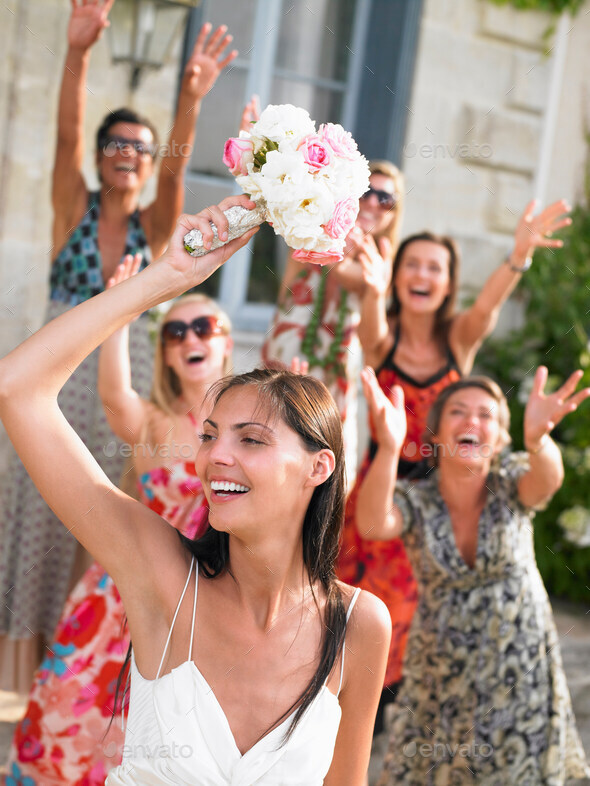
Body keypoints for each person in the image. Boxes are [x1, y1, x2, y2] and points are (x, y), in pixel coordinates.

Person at [0, 196, 391, 785]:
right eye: (209, 436)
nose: (215, 456)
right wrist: (164, 280)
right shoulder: (159, 574)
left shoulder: (360, 625)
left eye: (251, 439)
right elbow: (19, 390)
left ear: (320, 467)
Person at [0, 0, 238, 689]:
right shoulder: (71, 208)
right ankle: (24, 664)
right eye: (117, 144)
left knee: (103, 510)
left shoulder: (156, 223)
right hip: (54, 377)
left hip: (118, 377)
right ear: (104, 158)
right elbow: (65, 135)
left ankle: (81, 659)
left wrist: (191, 101)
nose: (128, 154)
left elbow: (174, 177)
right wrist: (76, 53)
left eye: (140, 144)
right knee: (37, 507)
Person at [337, 199, 573, 737]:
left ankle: (408, 726)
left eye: (435, 267)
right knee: (363, 620)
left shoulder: (459, 339)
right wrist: (372, 290)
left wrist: (518, 256)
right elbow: (370, 323)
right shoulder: (383, 338)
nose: (422, 274)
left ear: (447, 284)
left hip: (441, 506)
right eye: (412, 264)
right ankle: (354, 726)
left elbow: (489, 307)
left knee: (424, 625)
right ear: (397, 277)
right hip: (382, 499)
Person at [4, 255, 233, 785]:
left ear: (225, 343)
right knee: (69, 708)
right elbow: (112, 394)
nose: (188, 337)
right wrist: (121, 309)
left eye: (203, 327)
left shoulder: (252, 429)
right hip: (119, 595)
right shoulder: (152, 424)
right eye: (175, 331)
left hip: (196, 604)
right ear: (166, 354)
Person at [356, 365, 590, 784]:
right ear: (438, 433)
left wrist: (538, 441)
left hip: (519, 671)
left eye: (486, 415)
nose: (472, 422)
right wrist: (389, 447)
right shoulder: (417, 500)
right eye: (458, 412)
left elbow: (548, 479)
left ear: (500, 438)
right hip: (439, 676)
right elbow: (373, 524)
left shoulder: (512, 483)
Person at [262, 160, 405, 486]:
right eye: (367, 192)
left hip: (332, 399)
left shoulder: (381, 270)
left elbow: (361, 288)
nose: (372, 203)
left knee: (322, 491)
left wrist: (369, 280)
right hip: (277, 382)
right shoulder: (310, 237)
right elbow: (286, 209)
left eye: (385, 199)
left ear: (392, 214)